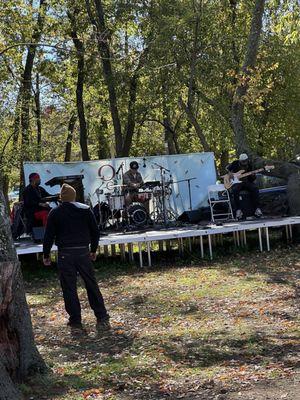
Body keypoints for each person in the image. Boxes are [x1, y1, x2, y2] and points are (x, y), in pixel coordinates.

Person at [43, 183, 109, 330]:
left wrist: (46, 255)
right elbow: (95, 232)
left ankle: (75, 320)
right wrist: (93, 250)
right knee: (91, 284)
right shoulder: (85, 210)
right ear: (74, 197)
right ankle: (102, 315)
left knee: (69, 288)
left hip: (65, 254)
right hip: (83, 252)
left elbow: (48, 236)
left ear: (61, 198)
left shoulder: (55, 212)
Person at [226, 153, 263, 220]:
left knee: (255, 188)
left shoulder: (250, 165)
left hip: (247, 182)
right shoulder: (235, 163)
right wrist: (230, 173)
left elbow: (253, 179)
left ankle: (257, 209)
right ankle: (238, 210)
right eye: (243, 161)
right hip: (237, 183)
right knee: (235, 190)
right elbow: (227, 168)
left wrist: (253, 175)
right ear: (240, 161)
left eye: (245, 161)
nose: (244, 163)